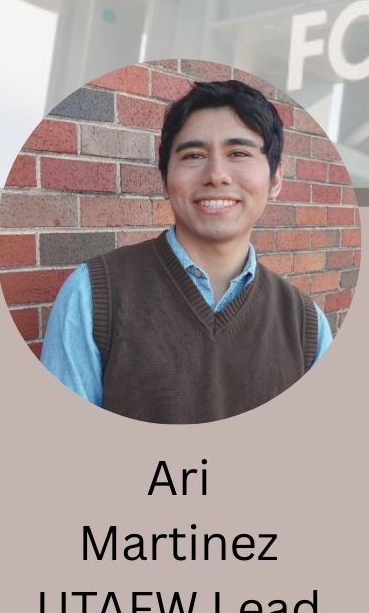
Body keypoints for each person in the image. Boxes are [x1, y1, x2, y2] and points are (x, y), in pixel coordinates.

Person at [39, 78, 332, 422]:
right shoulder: (92, 296)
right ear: (165, 180)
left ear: (275, 179)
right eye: (193, 155)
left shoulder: (307, 326)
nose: (216, 175)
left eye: (238, 153)